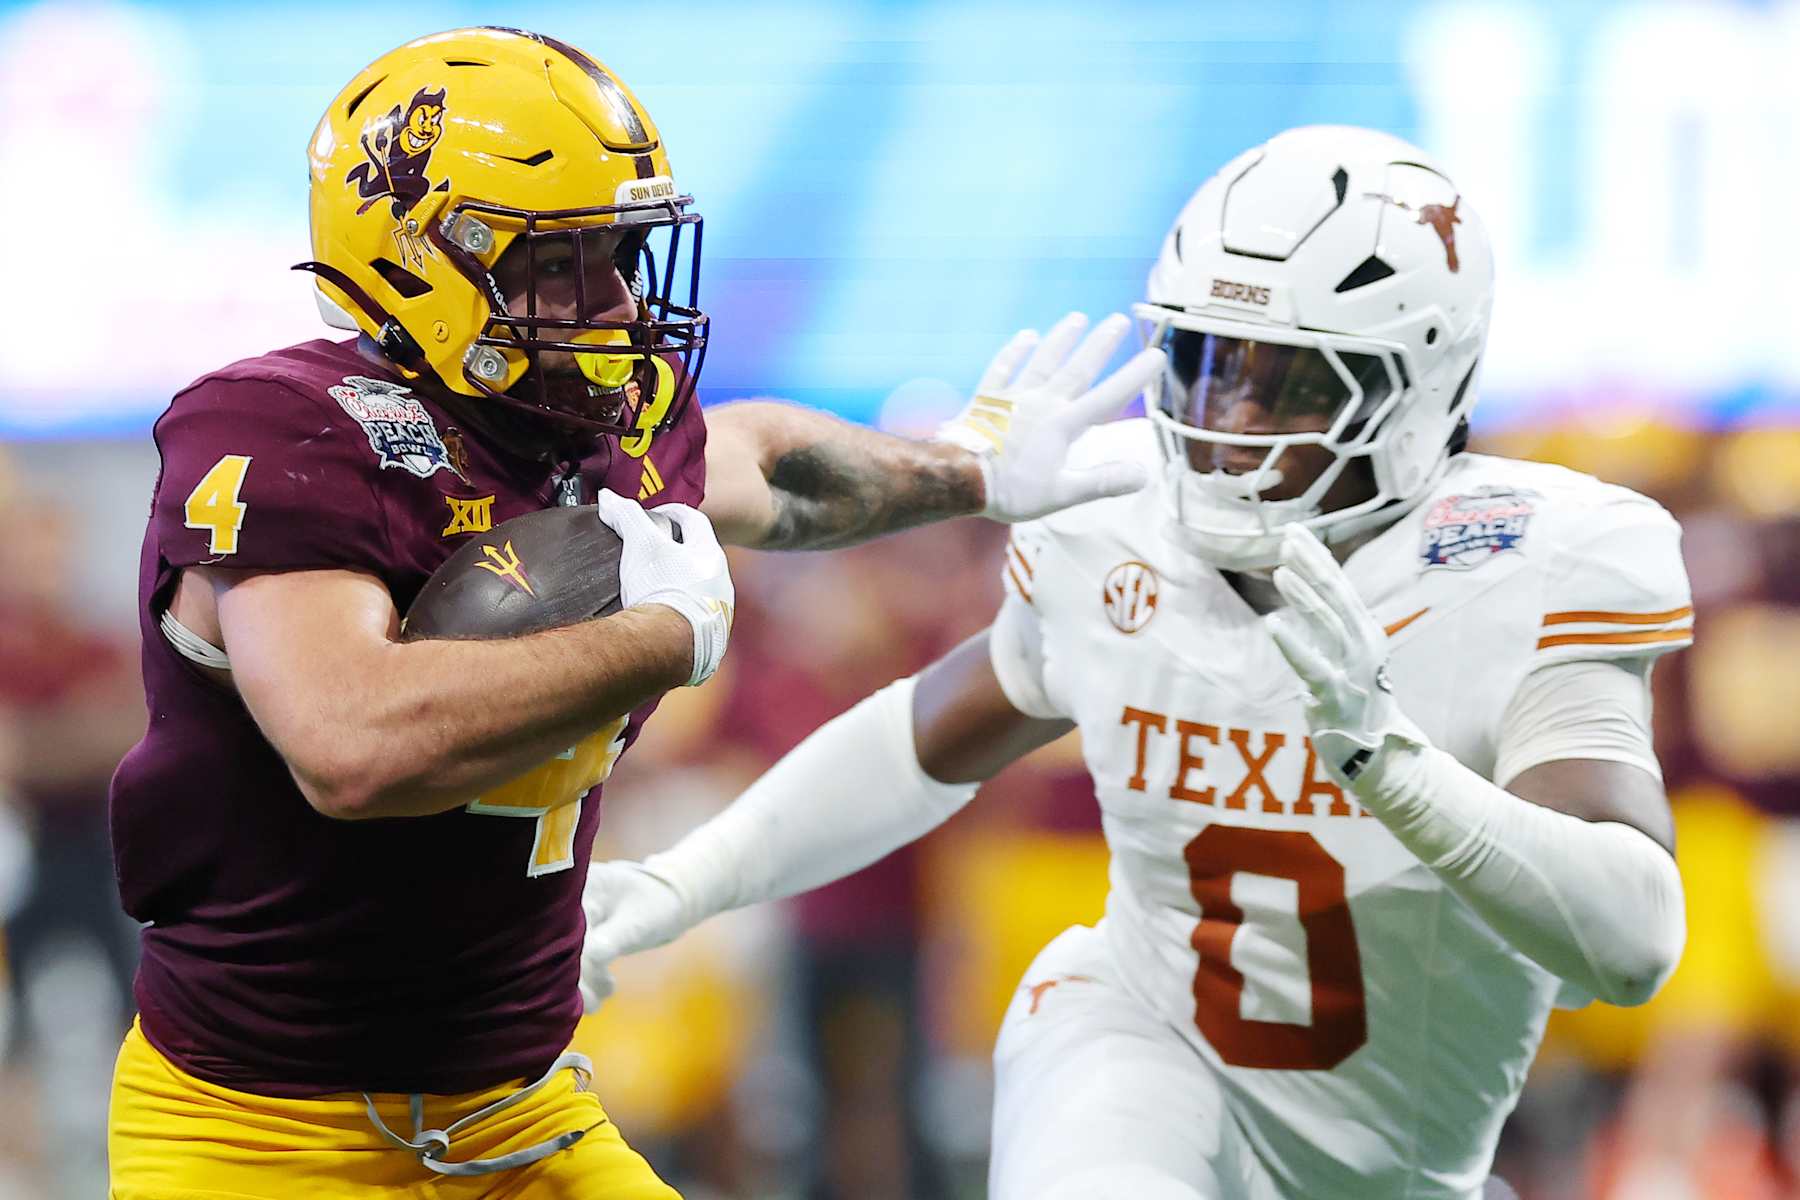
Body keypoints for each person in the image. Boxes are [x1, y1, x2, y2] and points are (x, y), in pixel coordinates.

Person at [104, 26, 1162, 1200]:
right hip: (262, 1133)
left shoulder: (599, 419)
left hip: (519, 1110)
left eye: (620, 252)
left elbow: (768, 457)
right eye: (563, 260)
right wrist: (667, 636)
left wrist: (968, 470)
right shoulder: (291, 429)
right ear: (423, 258)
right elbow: (353, 746)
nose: (613, 297)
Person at [580, 125, 1693, 1200]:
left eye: (1293, 383)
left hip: (1396, 1157)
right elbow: (922, 740)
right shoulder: (1116, 505)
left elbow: (1632, 939)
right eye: (1208, 364)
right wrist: (682, 884)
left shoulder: (1531, 558)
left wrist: (1390, 764)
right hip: (1142, 1034)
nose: (1229, 422)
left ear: (1419, 387)